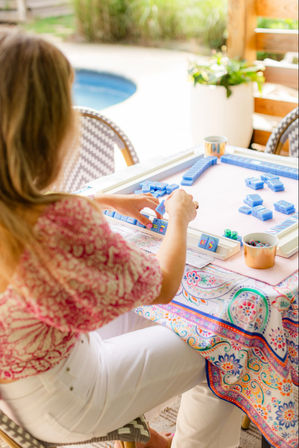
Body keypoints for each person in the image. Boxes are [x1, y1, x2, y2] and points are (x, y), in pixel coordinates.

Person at [0, 31, 242, 448]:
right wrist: (179, 218)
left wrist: (105, 199)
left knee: (155, 320)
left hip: (15, 391)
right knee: (225, 344)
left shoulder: (18, 207)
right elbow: (165, 285)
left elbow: (32, 204)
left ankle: (149, 441)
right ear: (50, 128)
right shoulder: (60, 223)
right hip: (66, 399)